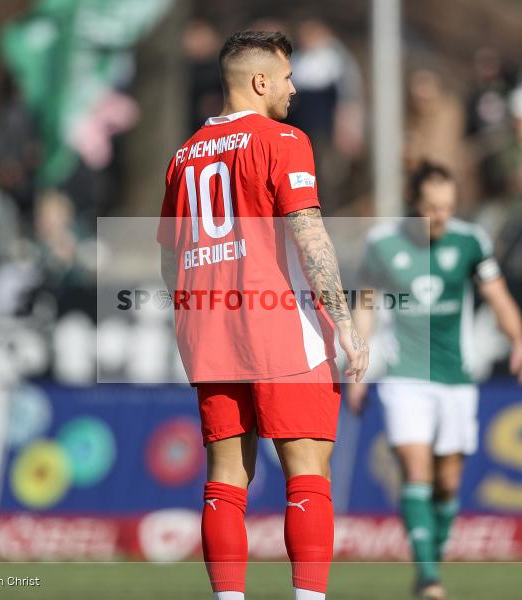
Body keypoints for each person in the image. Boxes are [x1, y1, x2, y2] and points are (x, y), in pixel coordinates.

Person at [157, 31, 368, 600]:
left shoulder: (182, 157)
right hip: (279, 328)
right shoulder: (283, 141)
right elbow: (309, 234)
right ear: (259, 82)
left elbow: (169, 258)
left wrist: (189, 325)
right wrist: (344, 321)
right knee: (306, 471)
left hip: (209, 332)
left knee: (225, 480)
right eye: (287, 76)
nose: (294, 87)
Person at [346, 161, 522, 600]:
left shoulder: (471, 242)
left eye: (448, 207)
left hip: (456, 377)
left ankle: (430, 558)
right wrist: (358, 364)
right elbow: (367, 307)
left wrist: (520, 343)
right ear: (414, 205)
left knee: (448, 481)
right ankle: (429, 577)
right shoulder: (382, 244)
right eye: (432, 208)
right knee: (416, 470)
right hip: (404, 376)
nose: (441, 216)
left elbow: (499, 297)